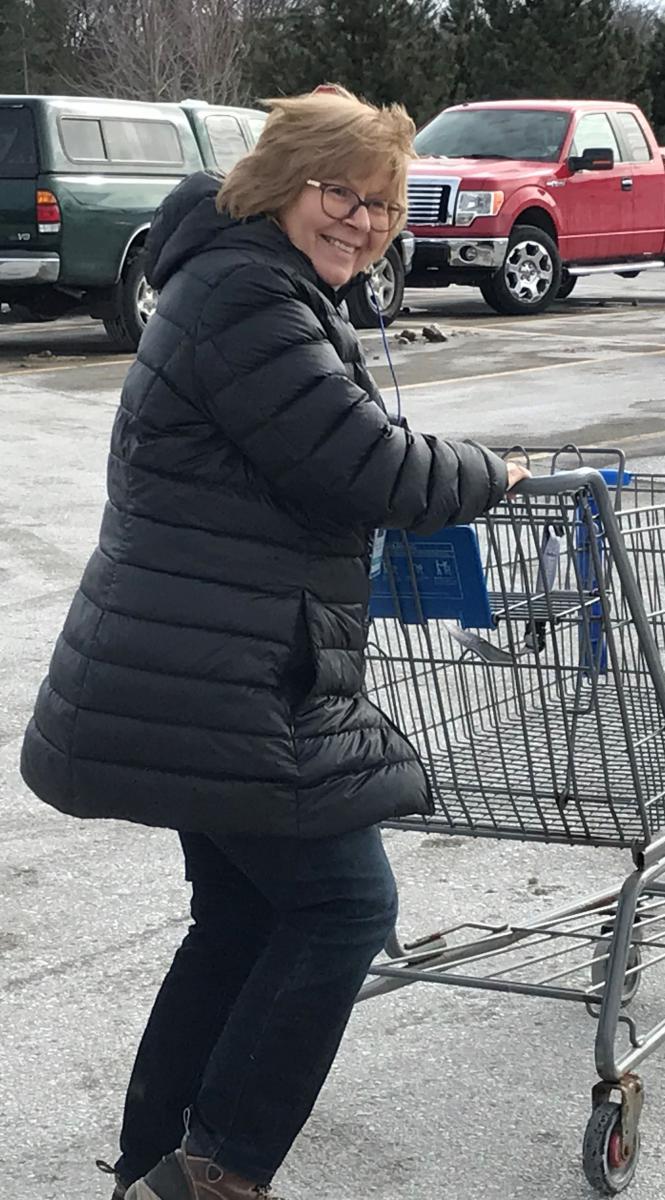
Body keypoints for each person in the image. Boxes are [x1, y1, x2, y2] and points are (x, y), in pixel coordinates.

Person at [19, 86, 529, 1200]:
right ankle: (218, 1173)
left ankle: (157, 1163)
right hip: (221, 676)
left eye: (383, 205)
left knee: (246, 911)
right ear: (278, 185)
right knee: (347, 906)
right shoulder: (249, 296)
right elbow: (374, 469)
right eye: (337, 191)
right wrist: (498, 470)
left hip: (203, 660)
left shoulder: (246, 281)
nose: (359, 219)